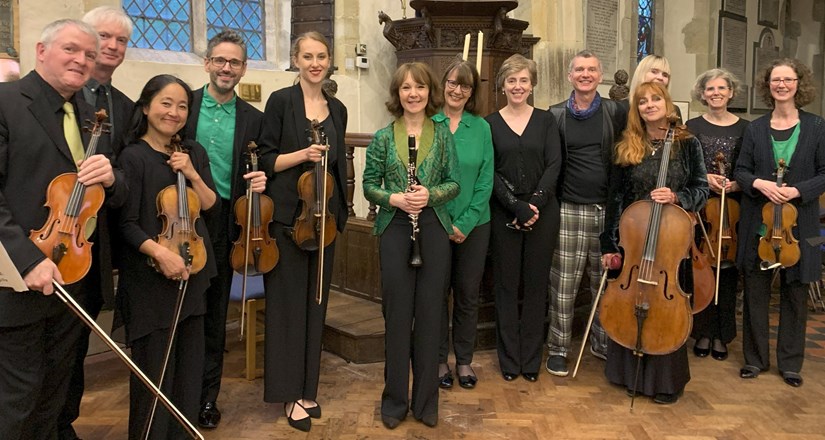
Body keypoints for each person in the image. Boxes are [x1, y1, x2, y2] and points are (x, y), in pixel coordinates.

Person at [0, 19, 126, 439]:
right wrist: (27, 261)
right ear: (41, 51)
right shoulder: (6, 101)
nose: (82, 60)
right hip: (21, 280)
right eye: (71, 49)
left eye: (89, 55)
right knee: (18, 396)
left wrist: (112, 178)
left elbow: (114, 191)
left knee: (58, 390)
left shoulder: (94, 115)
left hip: (76, 273)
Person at [116, 74, 221, 438]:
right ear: (145, 107)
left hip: (192, 271)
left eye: (181, 106)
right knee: (154, 379)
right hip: (150, 281)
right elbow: (126, 224)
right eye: (165, 103)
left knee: (188, 376)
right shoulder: (132, 157)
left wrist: (192, 172)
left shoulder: (192, 152)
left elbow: (209, 205)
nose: (173, 112)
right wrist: (161, 254)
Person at [258, 31, 348, 432]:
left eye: (322, 56)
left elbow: (339, 166)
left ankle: (308, 387)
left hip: (324, 220)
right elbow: (266, 158)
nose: (315, 63)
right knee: (286, 309)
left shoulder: (338, 108)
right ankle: (288, 393)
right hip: (287, 221)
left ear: (329, 60)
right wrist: (304, 154)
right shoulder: (281, 102)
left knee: (315, 306)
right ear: (295, 59)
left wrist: (340, 213)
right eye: (307, 56)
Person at [363, 62, 458, 429]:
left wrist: (429, 194)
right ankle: (394, 401)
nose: (413, 94)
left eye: (419, 87)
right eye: (406, 88)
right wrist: (395, 199)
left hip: (432, 228)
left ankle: (426, 403)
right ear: (397, 94)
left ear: (429, 92)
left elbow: (453, 184)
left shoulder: (443, 133)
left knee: (431, 317)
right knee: (398, 317)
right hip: (396, 228)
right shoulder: (384, 137)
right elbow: (369, 184)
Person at [600, 81, 708, 405]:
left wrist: (678, 196)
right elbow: (616, 197)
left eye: (655, 99)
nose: (649, 105)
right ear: (637, 108)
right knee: (630, 301)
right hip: (635, 240)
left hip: (670, 244)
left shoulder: (687, 143)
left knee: (666, 306)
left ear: (666, 103)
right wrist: (609, 242)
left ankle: (664, 381)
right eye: (643, 101)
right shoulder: (628, 145)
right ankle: (627, 374)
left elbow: (702, 188)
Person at [58, 8, 135, 439]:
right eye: (104, 37)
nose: (112, 47)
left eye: (121, 41)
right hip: (51, 235)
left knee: (75, 342)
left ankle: (65, 422)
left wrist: (114, 179)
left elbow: (125, 175)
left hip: (95, 242)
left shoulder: (123, 106)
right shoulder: (63, 94)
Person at [185, 30, 264, 429]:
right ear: (207, 63)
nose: (226, 68)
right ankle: (172, 390)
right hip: (179, 217)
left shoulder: (254, 119)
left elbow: (260, 168)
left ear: (243, 68)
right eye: (220, 60)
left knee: (214, 314)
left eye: (234, 62)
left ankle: (205, 399)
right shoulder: (185, 105)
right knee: (179, 311)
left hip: (225, 221)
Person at [734, 58, 825, 388]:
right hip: (759, 225)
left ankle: (790, 363)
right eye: (776, 80)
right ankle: (755, 359)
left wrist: (798, 190)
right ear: (767, 85)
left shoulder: (816, 126)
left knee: (795, 296)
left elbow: (824, 174)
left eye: (788, 79)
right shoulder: (755, 128)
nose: (782, 85)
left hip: (800, 228)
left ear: (799, 84)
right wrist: (760, 184)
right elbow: (741, 171)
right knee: (755, 295)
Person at [545, 50, 627, 376]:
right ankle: (558, 348)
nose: (585, 74)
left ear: (600, 74)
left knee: (603, 283)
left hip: (606, 211)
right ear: (570, 76)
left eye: (591, 69)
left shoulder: (615, 112)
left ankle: (602, 342)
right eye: (579, 69)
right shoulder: (555, 115)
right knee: (563, 284)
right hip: (568, 209)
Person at [486, 54, 561, 383]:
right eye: (511, 80)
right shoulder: (489, 124)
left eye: (524, 80)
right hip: (503, 214)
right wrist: (515, 206)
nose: (518, 86)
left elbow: (554, 165)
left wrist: (534, 205)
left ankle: (530, 359)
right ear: (503, 85)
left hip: (542, 214)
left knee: (535, 287)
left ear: (532, 85)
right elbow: (490, 171)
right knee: (505, 286)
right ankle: (509, 359)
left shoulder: (546, 121)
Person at [434, 59, 493, 390]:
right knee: (437, 293)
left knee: (468, 295)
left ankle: (465, 360)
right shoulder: (430, 123)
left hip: (474, 225)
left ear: (472, 93)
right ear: (443, 84)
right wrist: (444, 222)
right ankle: (440, 358)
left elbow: (486, 180)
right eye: (453, 83)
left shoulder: (481, 127)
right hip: (435, 224)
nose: (457, 90)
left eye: (465, 86)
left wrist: (466, 222)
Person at [686, 68, 748, 362]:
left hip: (733, 206)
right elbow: (685, 167)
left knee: (728, 272)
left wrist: (737, 183)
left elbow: (750, 167)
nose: (716, 93)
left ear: (731, 92)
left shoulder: (746, 128)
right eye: (710, 89)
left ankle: (723, 334)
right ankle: (703, 331)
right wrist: (705, 178)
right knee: (702, 270)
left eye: (721, 88)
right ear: (703, 94)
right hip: (703, 208)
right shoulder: (692, 125)